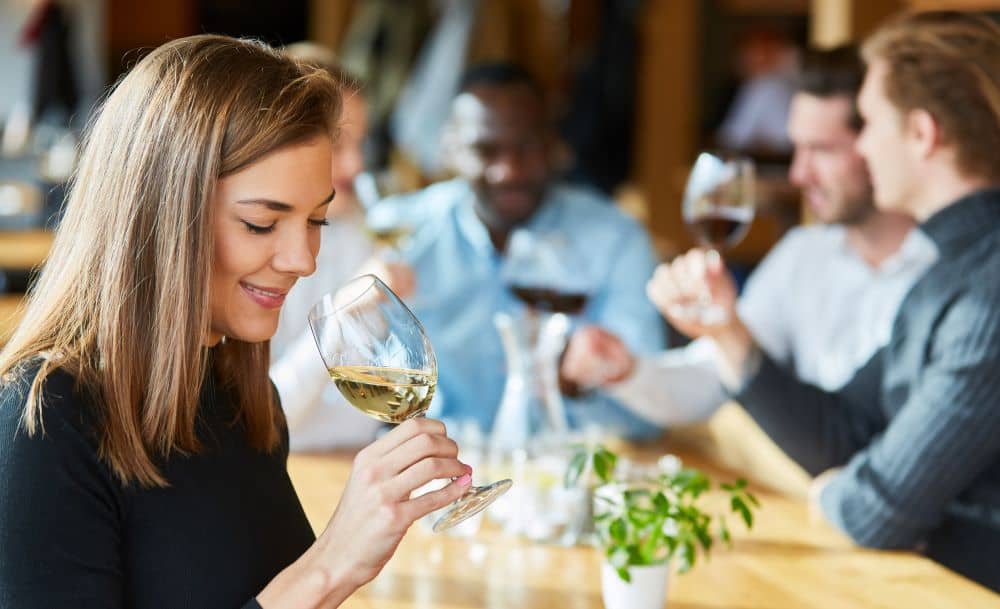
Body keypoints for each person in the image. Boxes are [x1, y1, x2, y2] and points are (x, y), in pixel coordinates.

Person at [0, 35, 473, 609]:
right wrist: (329, 567)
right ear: (164, 212)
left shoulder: (242, 392)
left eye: (317, 220)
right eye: (260, 223)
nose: (303, 259)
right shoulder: (48, 418)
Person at [647, 11, 1000, 591]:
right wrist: (730, 336)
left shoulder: (985, 296)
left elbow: (876, 511)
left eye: (869, 123)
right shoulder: (950, 271)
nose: (861, 145)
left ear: (922, 133)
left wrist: (835, 492)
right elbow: (849, 432)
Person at [561, 45, 937, 426]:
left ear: (880, 142)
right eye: (796, 149)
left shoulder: (949, 269)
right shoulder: (804, 255)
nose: (798, 175)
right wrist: (625, 371)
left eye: (821, 150)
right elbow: (709, 380)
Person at [370, 62, 666, 438]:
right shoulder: (400, 232)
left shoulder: (616, 240)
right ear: (451, 148)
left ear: (555, 145)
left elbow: (646, 421)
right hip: (431, 467)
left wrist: (589, 377)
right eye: (485, 150)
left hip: (565, 471)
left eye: (526, 147)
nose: (508, 171)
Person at [270, 42, 407, 451]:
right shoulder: (253, 255)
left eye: (360, 144)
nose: (357, 166)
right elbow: (271, 420)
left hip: (354, 461)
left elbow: (378, 401)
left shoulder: (359, 231)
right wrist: (341, 316)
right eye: (339, 144)